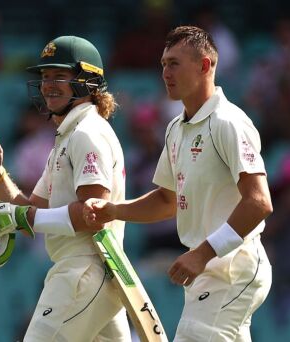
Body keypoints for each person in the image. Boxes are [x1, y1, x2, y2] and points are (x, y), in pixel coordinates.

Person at [84, 26, 273, 342]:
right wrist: (113, 210)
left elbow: (259, 202)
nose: (165, 73)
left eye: (174, 63)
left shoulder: (229, 122)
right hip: (206, 272)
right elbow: (166, 201)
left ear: (204, 66)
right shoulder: (175, 128)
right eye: (162, 65)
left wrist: (201, 254)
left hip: (234, 268)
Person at [0, 36, 130, 341]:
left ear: (87, 81)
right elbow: (33, 209)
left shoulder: (87, 133)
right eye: (44, 77)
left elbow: (92, 213)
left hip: (85, 270)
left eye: (59, 75)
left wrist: (21, 219)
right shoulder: (67, 138)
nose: (48, 85)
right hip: (90, 274)